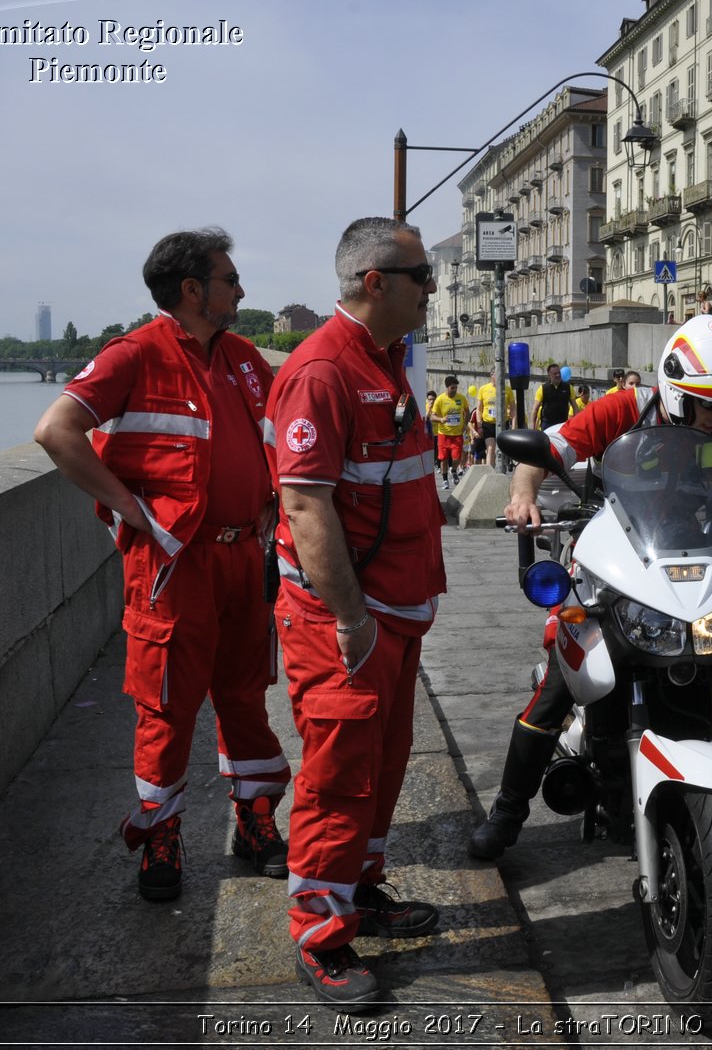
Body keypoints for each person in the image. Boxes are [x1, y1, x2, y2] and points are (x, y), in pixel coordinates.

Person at [472, 314, 712, 861]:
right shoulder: (623, 409)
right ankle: (508, 812)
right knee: (558, 689)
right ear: (679, 389)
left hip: (689, 567)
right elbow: (548, 452)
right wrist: (522, 496)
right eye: (711, 405)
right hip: (613, 567)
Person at [33, 227, 290, 902]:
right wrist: (130, 509)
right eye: (230, 279)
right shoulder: (136, 354)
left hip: (241, 557)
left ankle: (255, 818)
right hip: (174, 564)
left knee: (244, 695)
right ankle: (161, 831)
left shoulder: (241, 357)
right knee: (166, 706)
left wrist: (275, 499)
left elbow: (280, 436)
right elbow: (56, 430)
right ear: (192, 290)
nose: (241, 290)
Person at [266, 217, 447, 1012]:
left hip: (396, 609)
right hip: (352, 614)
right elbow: (305, 504)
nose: (431, 289)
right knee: (338, 771)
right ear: (378, 282)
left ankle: (359, 889)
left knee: (384, 760)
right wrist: (348, 618)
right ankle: (320, 930)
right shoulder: (321, 372)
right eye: (421, 276)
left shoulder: (382, 358)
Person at [430, 377, 470, 487]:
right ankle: (445, 480)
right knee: (443, 458)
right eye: (452, 388)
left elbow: (467, 411)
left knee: (457, 458)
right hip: (443, 434)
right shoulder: (440, 399)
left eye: (456, 388)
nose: (454, 390)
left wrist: (465, 424)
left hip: (457, 434)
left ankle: (453, 470)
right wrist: (441, 419)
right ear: (447, 387)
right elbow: (432, 416)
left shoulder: (461, 398)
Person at [475, 377, 515, 469]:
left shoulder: (508, 390)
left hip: (502, 422)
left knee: (501, 449)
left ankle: (502, 468)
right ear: (491, 376)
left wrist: (513, 426)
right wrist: (479, 425)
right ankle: (490, 472)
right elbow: (479, 409)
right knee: (490, 449)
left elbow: (513, 408)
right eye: (497, 374)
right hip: (488, 423)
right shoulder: (483, 389)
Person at [531, 363, 577, 430]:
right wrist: (532, 429)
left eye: (559, 373)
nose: (558, 375)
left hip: (562, 424)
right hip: (547, 425)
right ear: (549, 376)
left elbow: (575, 407)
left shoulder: (568, 388)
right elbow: (535, 409)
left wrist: (577, 423)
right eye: (555, 373)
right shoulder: (542, 389)